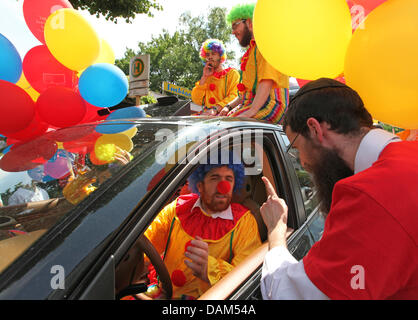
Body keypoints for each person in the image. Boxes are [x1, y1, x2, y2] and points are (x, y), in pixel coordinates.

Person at [259, 78, 418, 299]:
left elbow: (295, 294)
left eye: (296, 147)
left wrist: (276, 232)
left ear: (315, 129)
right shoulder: (409, 155)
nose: (302, 162)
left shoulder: (370, 194)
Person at [144, 152, 262, 299]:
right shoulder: (177, 208)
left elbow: (247, 276)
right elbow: (145, 245)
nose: (223, 187)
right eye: (215, 178)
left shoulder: (244, 222)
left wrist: (210, 268)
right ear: (200, 185)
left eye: (229, 179)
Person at [223, 3, 289, 124]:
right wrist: (228, 107)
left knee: (224, 124)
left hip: (270, 105)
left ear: (249, 23)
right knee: (215, 120)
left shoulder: (266, 44)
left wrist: (251, 111)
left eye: (235, 26)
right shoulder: (251, 52)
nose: (233, 32)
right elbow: (246, 93)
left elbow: (267, 81)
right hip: (253, 104)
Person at [191, 39, 240, 116]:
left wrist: (216, 108)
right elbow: (196, 101)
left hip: (224, 116)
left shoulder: (232, 74)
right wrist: (204, 77)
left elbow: (234, 95)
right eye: (207, 55)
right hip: (206, 116)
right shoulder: (207, 76)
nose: (210, 57)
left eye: (213, 54)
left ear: (221, 56)